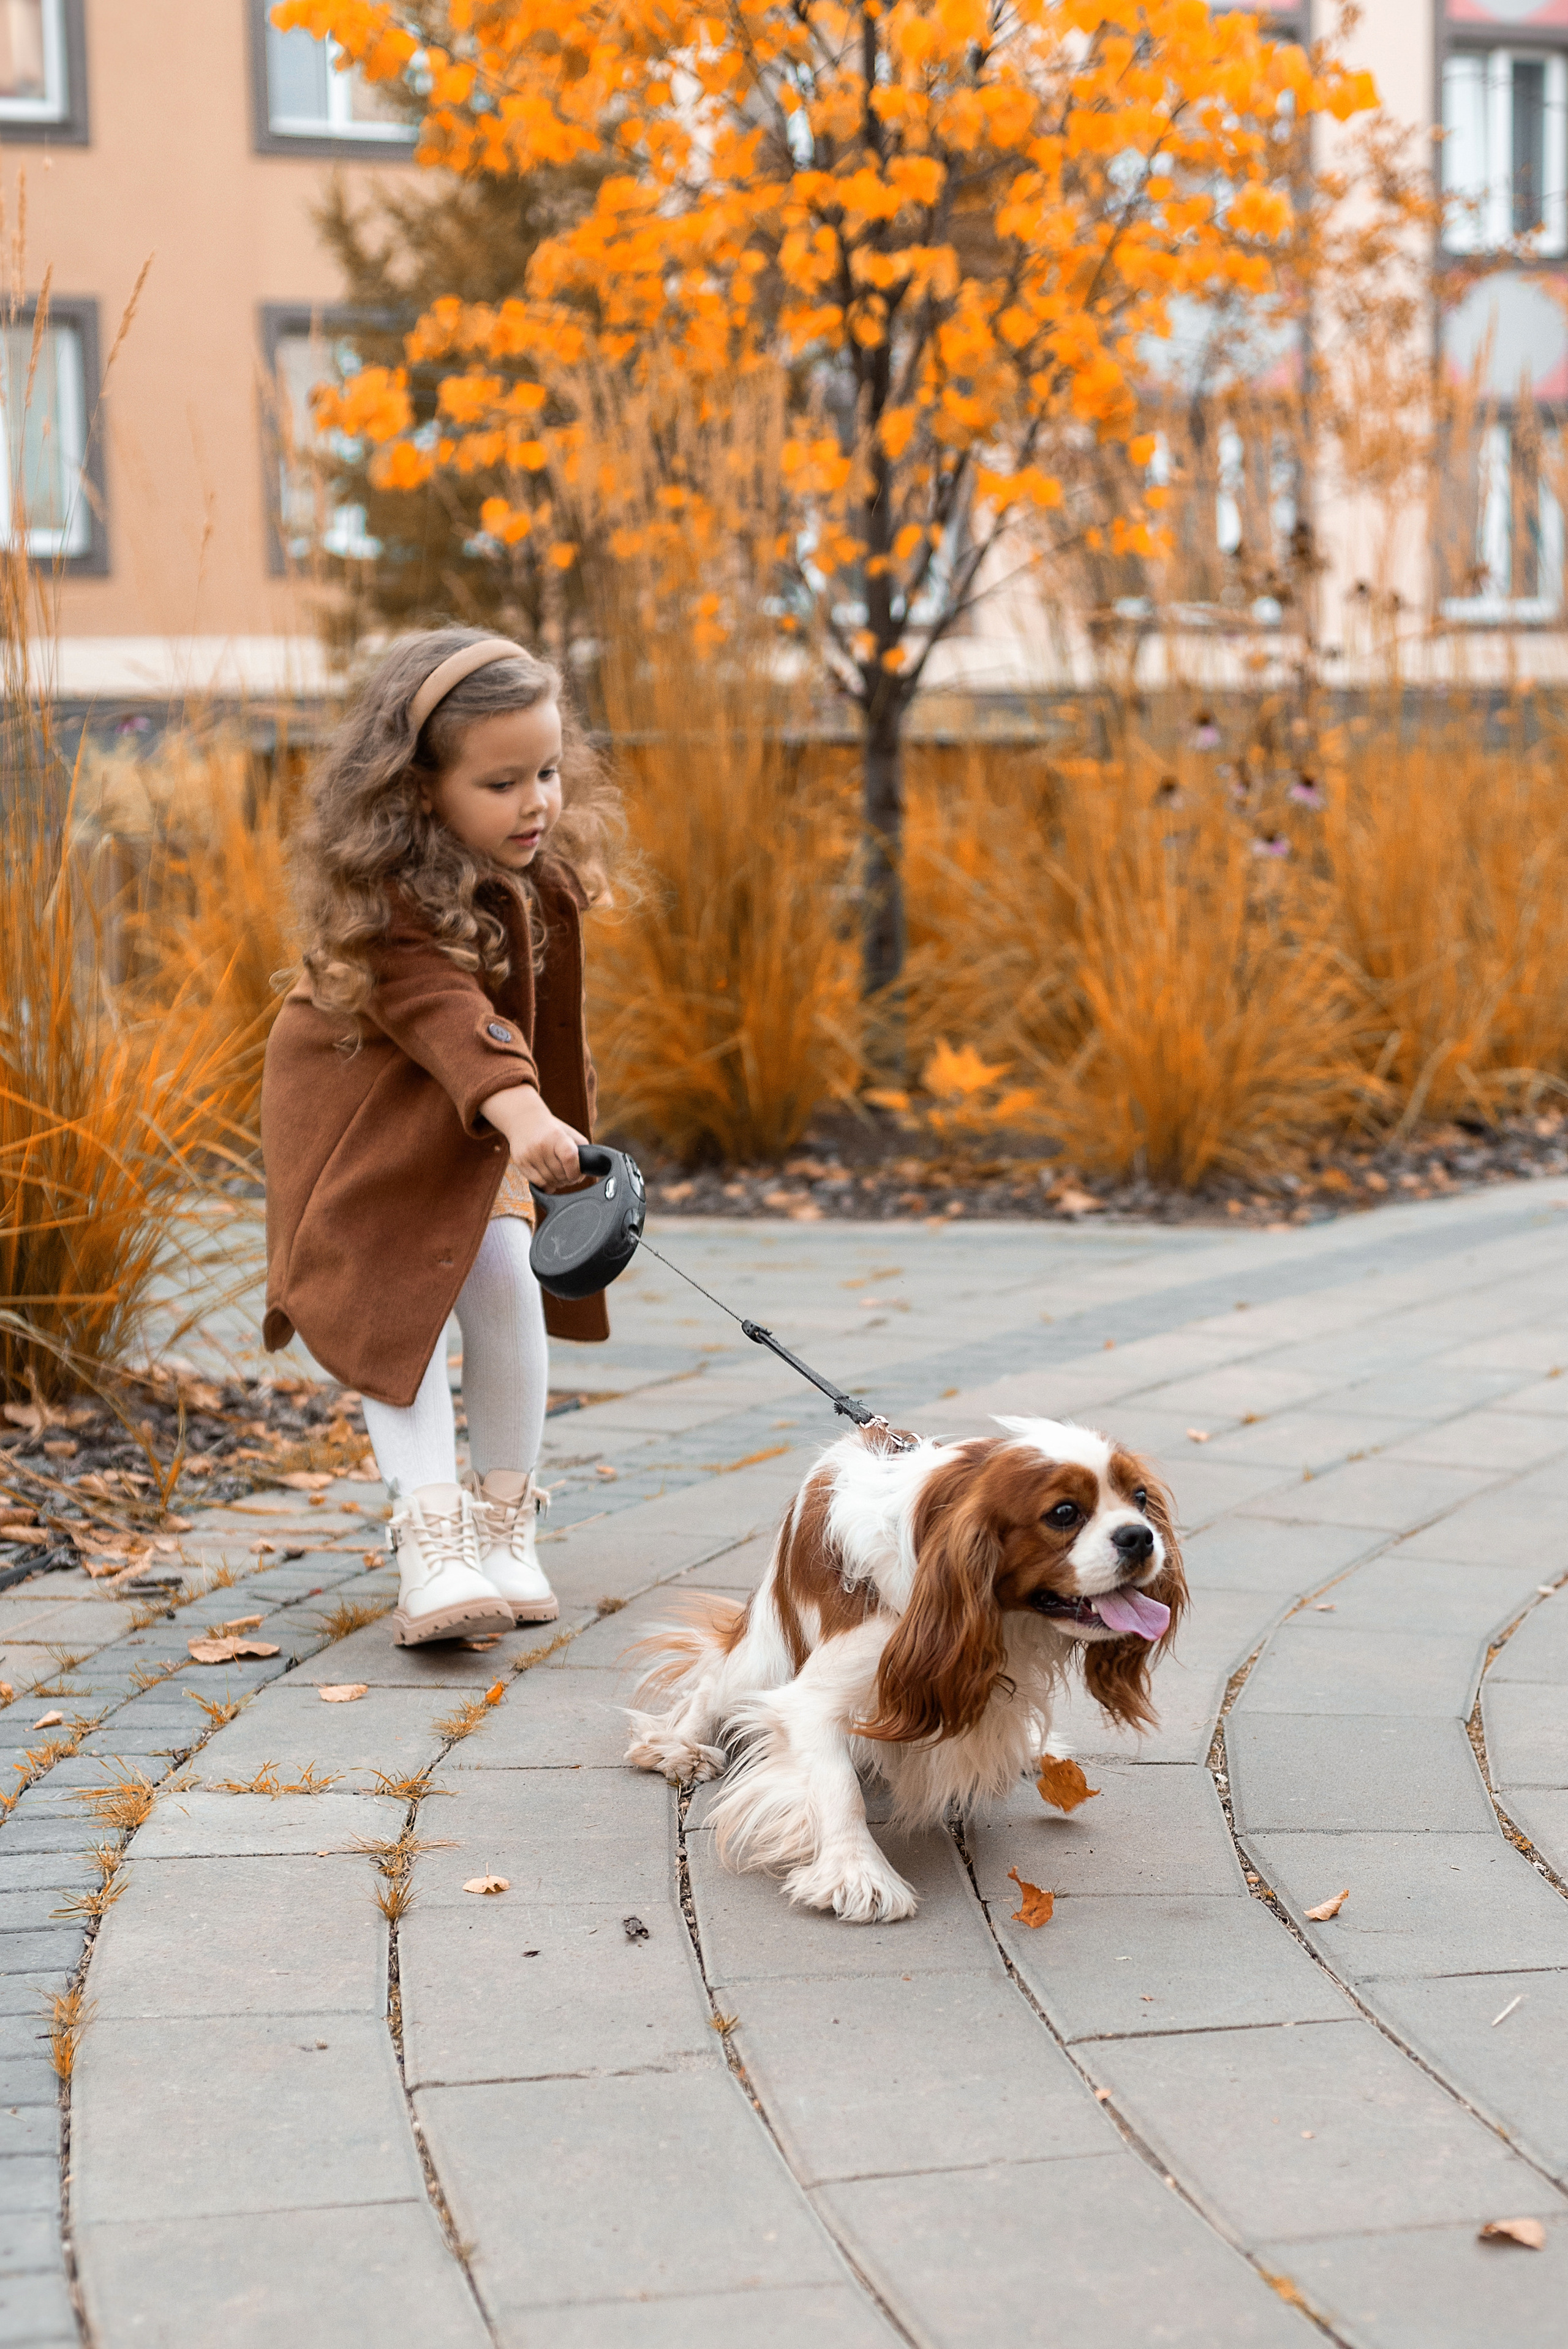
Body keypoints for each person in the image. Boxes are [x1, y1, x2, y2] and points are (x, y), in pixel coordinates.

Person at [259, 629, 619, 1646]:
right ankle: (431, 1536)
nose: (537, 801)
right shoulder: (390, 902)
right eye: (502, 782)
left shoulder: (536, 880)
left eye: (547, 772)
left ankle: (504, 1520)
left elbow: (537, 1029)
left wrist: (554, 1132)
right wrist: (522, 1113)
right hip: (362, 1120)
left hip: (477, 1122)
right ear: (421, 792)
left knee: (506, 1280)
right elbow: (442, 1013)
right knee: (399, 1303)